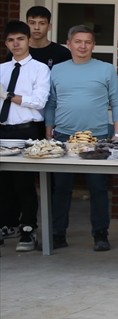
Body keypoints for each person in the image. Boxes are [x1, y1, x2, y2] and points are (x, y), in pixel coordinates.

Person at [44, 25, 118, 252]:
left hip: (97, 137)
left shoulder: (106, 69)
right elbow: (50, 103)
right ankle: (58, 233)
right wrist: (48, 129)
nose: (82, 46)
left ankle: (100, 234)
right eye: (78, 41)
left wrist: (117, 134)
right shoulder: (57, 71)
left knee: (98, 187)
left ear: (93, 45)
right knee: (61, 188)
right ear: (68, 44)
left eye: (87, 42)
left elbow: (117, 101)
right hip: (63, 136)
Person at [0, 20, 51, 252]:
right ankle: (7, 224)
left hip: (27, 130)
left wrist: (9, 95)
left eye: (20, 39)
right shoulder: (1, 69)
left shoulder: (40, 68)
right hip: (3, 129)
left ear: (29, 40)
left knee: (24, 183)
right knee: (4, 183)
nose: (16, 44)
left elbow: (39, 102)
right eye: (11, 40)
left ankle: (28, 228)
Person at [24, 6, 71, 70]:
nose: (36, 27)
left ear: (49, 26)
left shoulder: (62, 53)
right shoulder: (18, 52)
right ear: (26, 26)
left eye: (42, 23)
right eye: (32, 23)